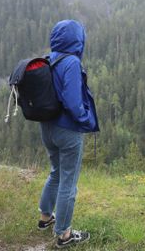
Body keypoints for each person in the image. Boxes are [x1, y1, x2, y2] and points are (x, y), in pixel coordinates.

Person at [37, 19, 99, 248]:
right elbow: (73, 103)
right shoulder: (71, 62)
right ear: (78, 40)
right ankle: (64, 234)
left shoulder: (48, 59)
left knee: (56, 172)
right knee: (69, 182)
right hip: (68, 130)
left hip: (47, 128)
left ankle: (45, 217)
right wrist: (85, 120)